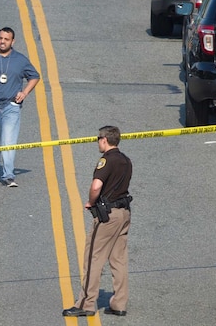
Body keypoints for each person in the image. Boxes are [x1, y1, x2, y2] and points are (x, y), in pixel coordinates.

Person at [62, 125, 133, 318]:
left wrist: (90, 202)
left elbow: (96, 186)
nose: (97, 142)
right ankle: (119, 303)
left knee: (93, 258)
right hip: (124, 213)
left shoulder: (106, 160)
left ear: (104, 140)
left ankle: (86, 303)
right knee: (119, 259)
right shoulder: (126, 160)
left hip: (107, 215)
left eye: (98, 138)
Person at [0, 27, 40, 187]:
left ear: (12, 41)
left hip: (11, 106)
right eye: (0, 38)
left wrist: (24, 93)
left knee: (9, 141)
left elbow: (35, 76)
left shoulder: (20, 60)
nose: (2, 41)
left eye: (6, 39)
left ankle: (9, 175)